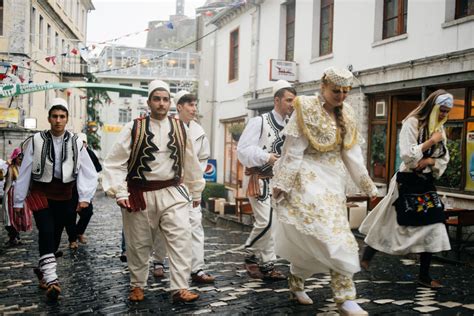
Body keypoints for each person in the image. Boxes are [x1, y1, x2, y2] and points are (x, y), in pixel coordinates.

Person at [271, 67, 377, 315]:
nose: (340, 96)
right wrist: (282, 184)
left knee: (332, 235)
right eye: (335, 91)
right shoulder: (305, 107)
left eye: (345, 92)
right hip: (305, 181)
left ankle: (319, 289)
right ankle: (340, 295)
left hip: (332, 184)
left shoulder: (348, 114)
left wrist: (368, 185)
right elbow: (293, 151)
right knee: (326, 236)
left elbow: (352, 156)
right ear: (323, 86)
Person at [102, 80, 205, 303]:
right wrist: (120, 192)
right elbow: (115, 162)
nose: (161, 103)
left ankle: (180, 287)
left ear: (170, 103)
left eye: (165, 99)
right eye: (156, 99)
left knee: (181, 239)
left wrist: (196, 191)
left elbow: (191, 161)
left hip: (172, 192)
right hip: (140, 193)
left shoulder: (180, 128)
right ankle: (137, 285)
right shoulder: (134, 127)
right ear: (148, 102)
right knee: (139, 244)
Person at [359, 90, 452, 289]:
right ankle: (368, 254)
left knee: (434, 223)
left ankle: (424, 275)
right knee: (390, 222)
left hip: (425, 183)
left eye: (447, 111)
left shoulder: (439, 129)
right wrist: (431, 142)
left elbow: (444, 159)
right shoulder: (412, 123)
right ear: (432, 107)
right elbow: (408, 156)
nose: (444, 114)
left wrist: (429, 160)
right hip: (406, 182)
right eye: (441, 110)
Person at [13, 97, 98, 301]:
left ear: (67, 118)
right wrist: (18, 200)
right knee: (46, 231)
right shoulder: (36, 140)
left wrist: (85, 197)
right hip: (41, 192)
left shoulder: (77, 142)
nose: (58, 120)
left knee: (56, 236)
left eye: (62, 116)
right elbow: (24, 171)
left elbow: (89, 171)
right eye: (54, 116)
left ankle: (43, 271)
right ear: (49, 118)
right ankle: (52, 280)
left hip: (65, 194)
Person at [151, 90, 214, 283]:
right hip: (169, 186)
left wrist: (195, 180)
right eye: (190, 105)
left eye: (195, 105)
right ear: (179, 107)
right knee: (165, 225)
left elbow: (203, 158)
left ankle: (197, 269)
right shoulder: (166, 127)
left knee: (195, 224)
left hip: (190, 187)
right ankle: (159, 261)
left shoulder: (199, 132)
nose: (194, 109)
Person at [237, 80, 296, 280]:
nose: (291, 104)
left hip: (278, 181)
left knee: (274, 225)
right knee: (266, 222)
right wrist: (266, 157)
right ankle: (250, 253)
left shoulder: (290, 125)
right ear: (276, 99)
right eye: (288, 100)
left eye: (293, 101)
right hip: (259, 178)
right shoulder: (260, 121)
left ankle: (267, 266)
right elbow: (243, 150)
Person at [65, 133, 102, 249]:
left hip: (84, 188)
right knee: (70, 215)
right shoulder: (69, 153)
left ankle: (79, 232)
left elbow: (96, 168)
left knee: (87, 212)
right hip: (70, 188)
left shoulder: (89, 153)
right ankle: (72, 239)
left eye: (84, 143)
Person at [2, 148, 32, 246]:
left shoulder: (25, 168)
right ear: (15, 158)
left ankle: (15, 236)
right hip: (12, 194)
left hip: (22, 195)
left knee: (20, 216)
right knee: (10, 216)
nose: (21, 160)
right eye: (19, 157)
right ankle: (13, 236)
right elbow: (7, 180)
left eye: (22, 158)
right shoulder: (11, 168)